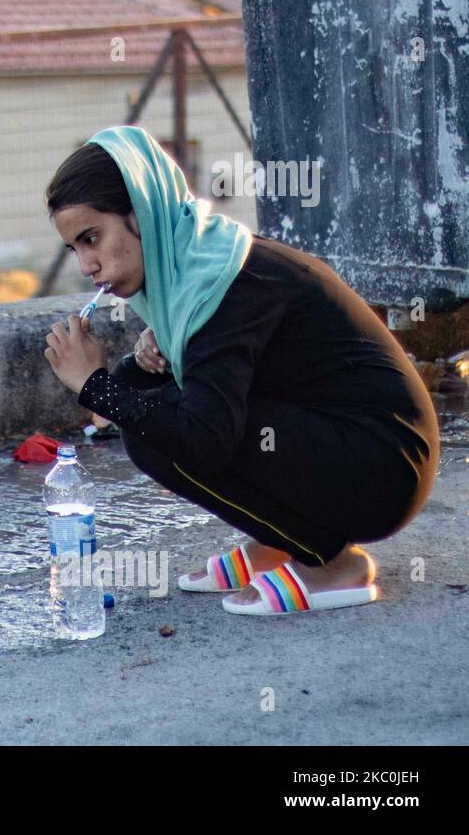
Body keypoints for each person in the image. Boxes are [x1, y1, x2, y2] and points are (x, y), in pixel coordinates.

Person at [41, 125, 440, 616]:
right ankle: (280, 540)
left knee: (152, 432)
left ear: (140, 214)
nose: (86, 265)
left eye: (92, 238)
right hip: (351, 444)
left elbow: (205, 440)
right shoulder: (197, 265)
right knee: (143, 399)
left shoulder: (222, 283)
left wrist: (94, 386)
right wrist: (129, 372)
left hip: (385, 467)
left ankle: (331, 563)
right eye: (74, 248)